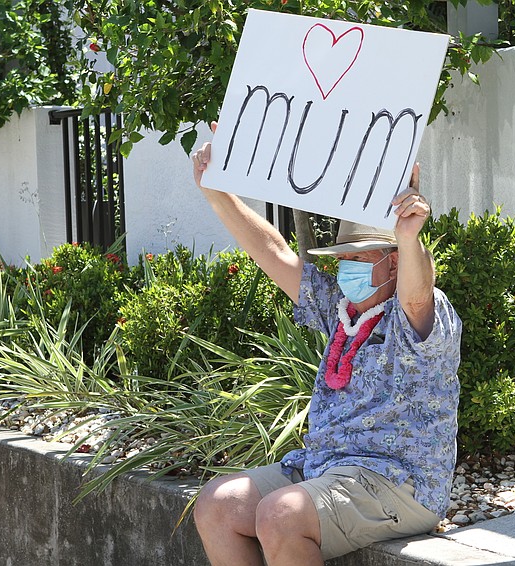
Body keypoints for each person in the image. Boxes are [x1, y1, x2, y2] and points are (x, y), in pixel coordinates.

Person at [191, 121, 462, 566]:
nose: (346, 269)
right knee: (217, 504)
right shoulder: (339, 306)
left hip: (398, 481)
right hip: (324, 467)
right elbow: (275, 253)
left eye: (359, 258)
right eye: (342, 259)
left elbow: (416, 294)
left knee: (281, 515)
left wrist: (409, 237)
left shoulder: (420, 315)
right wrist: (217, 193)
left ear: (393, 263)